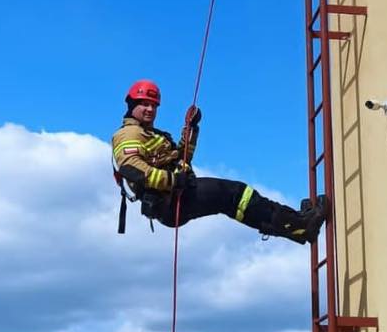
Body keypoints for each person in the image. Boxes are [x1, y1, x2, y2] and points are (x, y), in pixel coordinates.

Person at [112, 79, 329, 244]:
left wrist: (191, 129)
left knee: (233, 199)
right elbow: (130, 168)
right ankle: (300, 225)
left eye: (154, 105)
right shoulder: (128, 134)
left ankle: (296, 225)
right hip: (169, 201)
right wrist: (173, 181)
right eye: (144, 104)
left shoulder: (150, 134)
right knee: (235, 194)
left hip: (175, 196)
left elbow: (183, 158)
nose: (150, 110)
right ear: (132, 105)